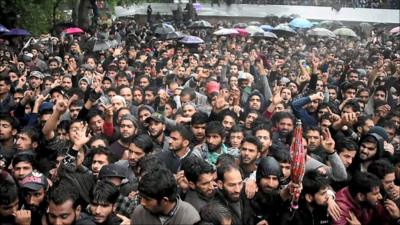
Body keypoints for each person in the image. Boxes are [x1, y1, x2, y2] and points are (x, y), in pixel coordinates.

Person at [132, 167, 200, 225]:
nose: (142, 203)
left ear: (164, 200)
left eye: (147, 199)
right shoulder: (139, 213)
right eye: (141, 197)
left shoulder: (190, 218)